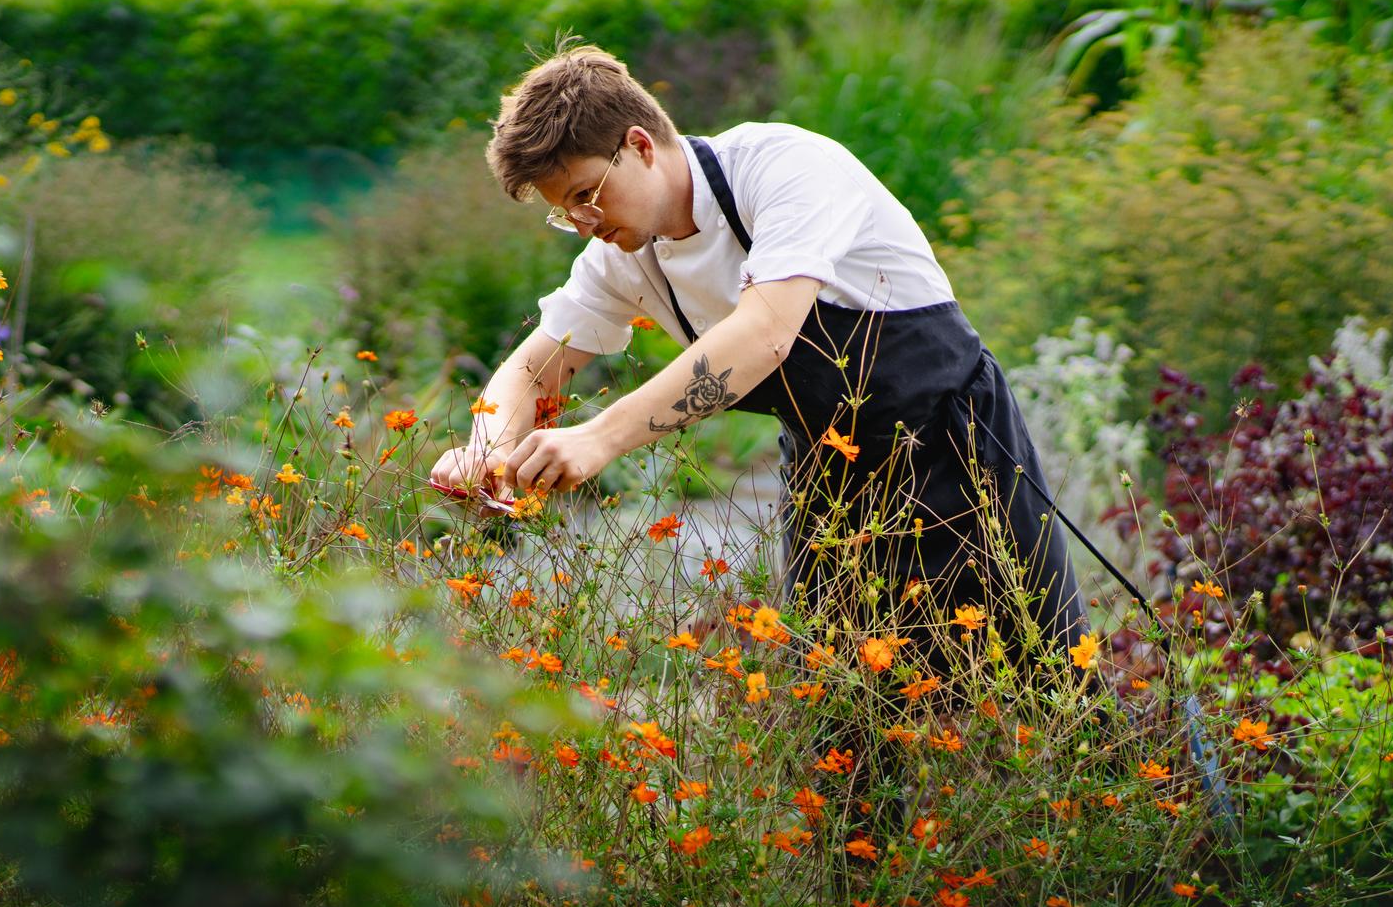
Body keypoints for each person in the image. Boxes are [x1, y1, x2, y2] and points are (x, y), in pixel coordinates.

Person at [429, 40, 1083, 654]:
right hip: (826, 477)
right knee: (841, 711)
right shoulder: (624, 255)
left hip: (956, 447)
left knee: (1032, 675)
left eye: (587, 197)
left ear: (639, 146)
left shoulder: (784, 168)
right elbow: (535, 367)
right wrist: (487, 450)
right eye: (563, 212)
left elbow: (766, 333)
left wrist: (599, 437)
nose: (583, 226)